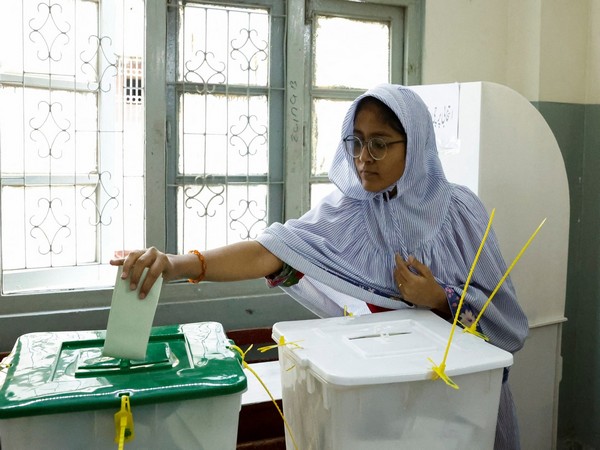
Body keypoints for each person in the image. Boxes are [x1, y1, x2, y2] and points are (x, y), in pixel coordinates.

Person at [111, 83, 528, 449]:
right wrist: (175, 263)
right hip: (384, 404)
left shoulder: (461, 213)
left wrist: (440, 299)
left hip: (462, 409)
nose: (364, 158)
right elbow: (269, 251)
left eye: (380, 143)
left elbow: (509, 326)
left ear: (415, 146)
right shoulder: (346, 213)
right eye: (357, 141)